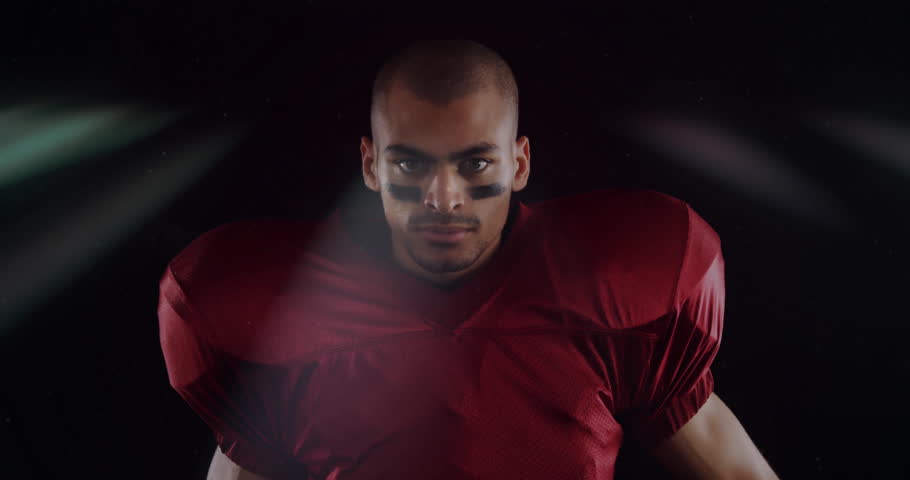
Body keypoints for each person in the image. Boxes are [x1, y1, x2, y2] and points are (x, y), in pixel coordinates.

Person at [158, 39, 779, 479]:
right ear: (372, 165)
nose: (443, 197)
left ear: (519, 163)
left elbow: (731, 468)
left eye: (475, 162)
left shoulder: (613, 290)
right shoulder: (280, 313)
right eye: (411, 162)